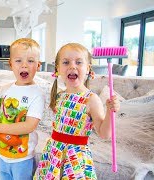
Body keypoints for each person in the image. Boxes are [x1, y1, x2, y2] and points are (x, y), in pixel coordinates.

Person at [33, 43, 121, 179]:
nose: (72, 66)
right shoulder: (59, 95)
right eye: (66, 62)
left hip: (76, 158)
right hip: (54, 153)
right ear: (57, 69)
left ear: (88, 69)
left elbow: (104, 134)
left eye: (79, 62)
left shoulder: (91, 99)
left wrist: (110, 112)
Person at [0, 38, 45, 180]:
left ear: (38, 66)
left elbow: (29, 126)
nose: (24, 65)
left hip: (22, 158)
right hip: (2, 153)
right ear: (10, 64)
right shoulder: (5, 89)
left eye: (30, 61)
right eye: (18, 60)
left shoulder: (37, 94)